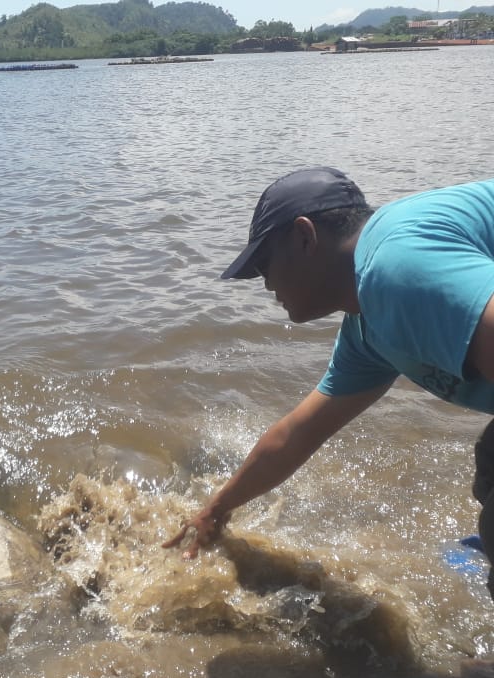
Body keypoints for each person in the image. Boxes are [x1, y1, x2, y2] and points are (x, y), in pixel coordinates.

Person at [162, 167, 494, 601]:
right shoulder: (368, 329)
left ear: (304, 237)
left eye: (265, 263)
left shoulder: (398, 270)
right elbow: (296, 435)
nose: (265, 284)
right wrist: (216, 509)